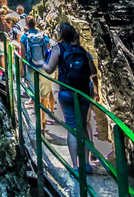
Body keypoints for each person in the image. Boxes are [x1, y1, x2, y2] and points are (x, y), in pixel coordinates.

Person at [43, 22, 99, 173]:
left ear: (61, 35)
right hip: (83, 93)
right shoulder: (82, 50)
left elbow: (49, 69)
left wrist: (40, 62)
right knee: (83, 126)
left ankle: (75, 166)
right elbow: (93, 72)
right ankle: (86, 164)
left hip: (67, 93)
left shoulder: (58, 48)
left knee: (72, 127)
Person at [20, 16, 54, 121]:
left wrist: (23, 70)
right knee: (45, 94)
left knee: (36, 95)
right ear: (35, 24)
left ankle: (39, 121)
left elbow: (23, 56)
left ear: (26, 25)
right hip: (44, 68)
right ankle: (45, 118)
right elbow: (48, 52)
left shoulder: (24, 37)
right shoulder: (44, 36)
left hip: (31, 68)